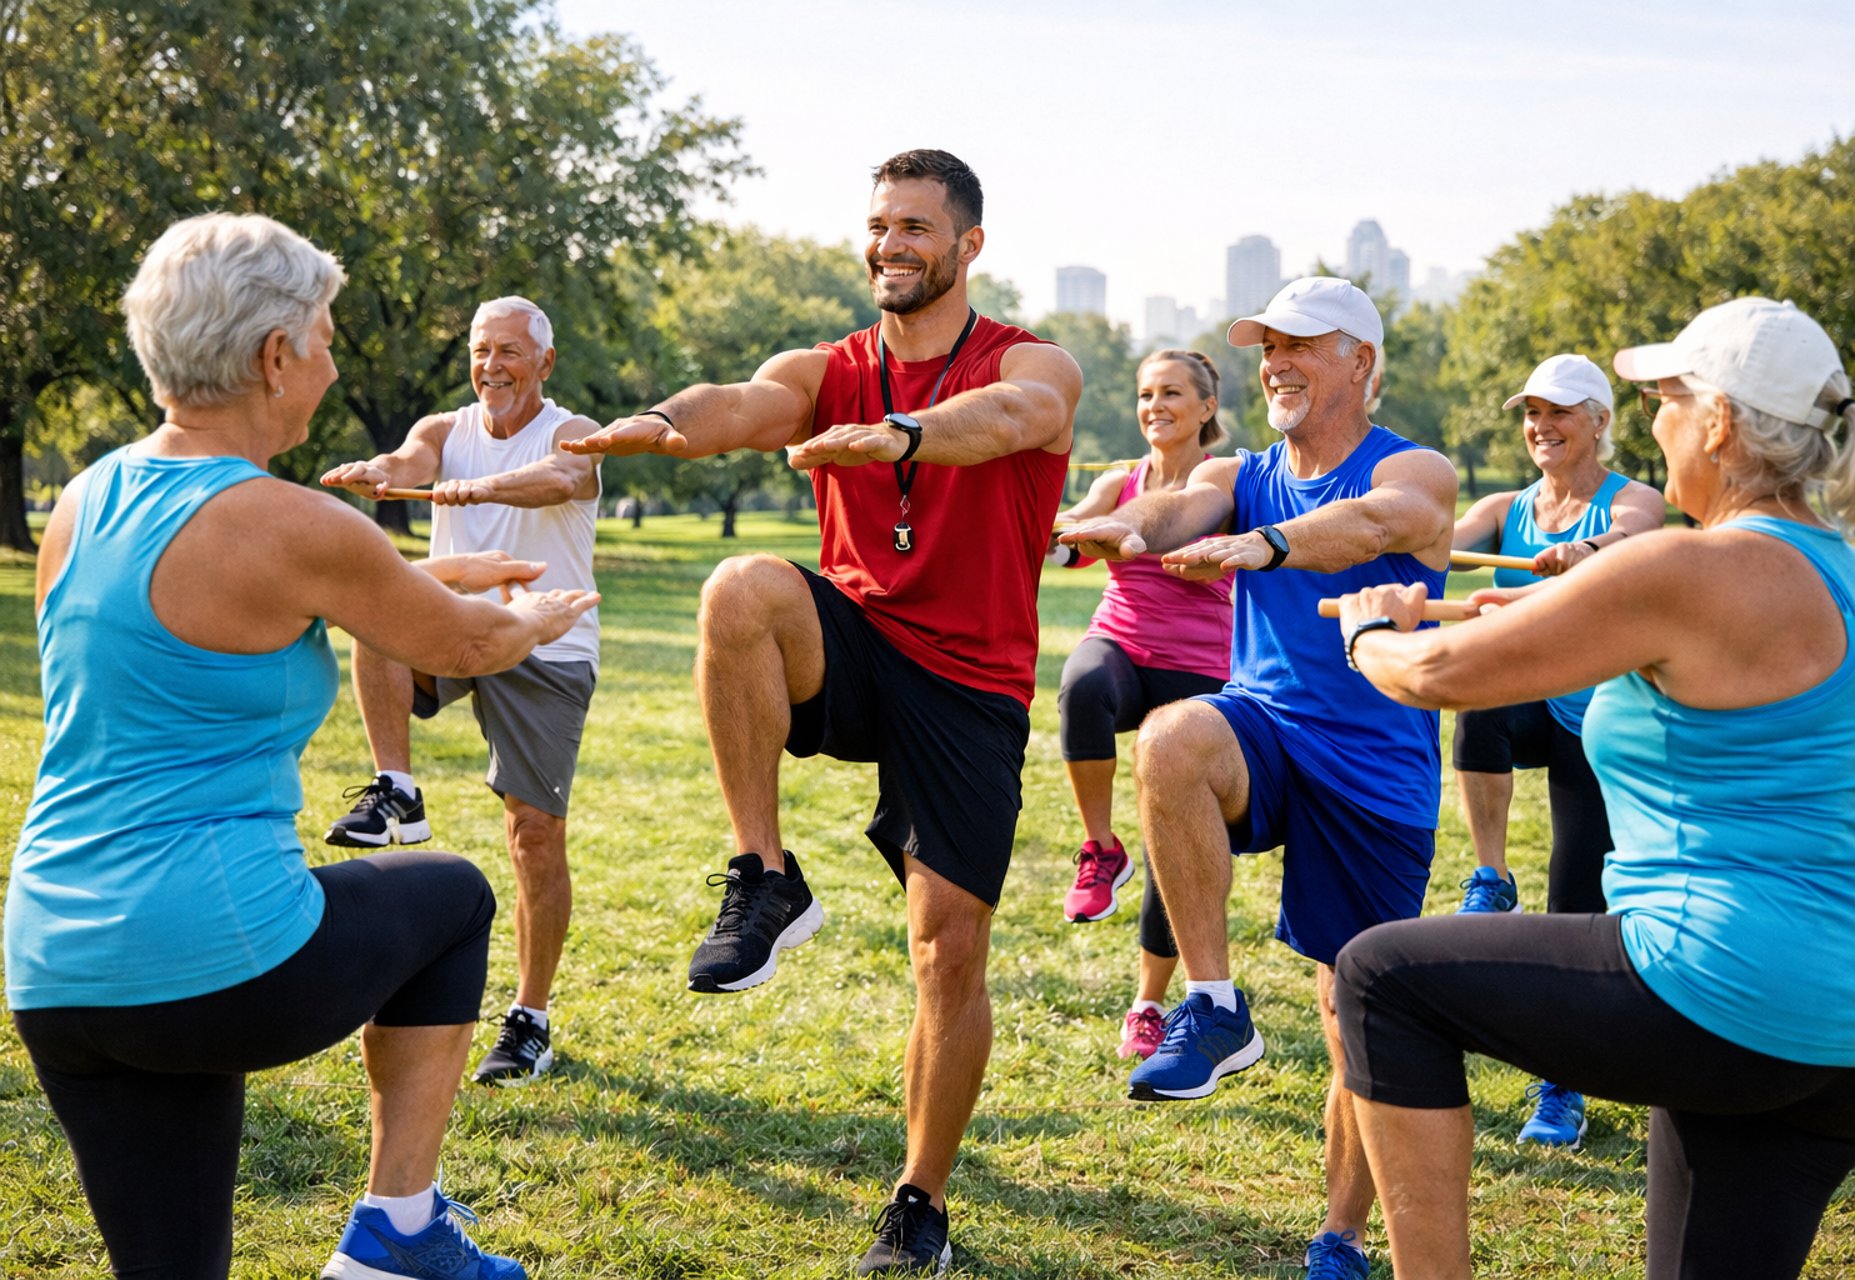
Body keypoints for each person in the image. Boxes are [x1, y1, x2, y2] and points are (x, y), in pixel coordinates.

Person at [4, 213, 598, 1279]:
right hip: (213, 950)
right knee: (454, 896)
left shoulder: (86, 498)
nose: (328, 359)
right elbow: (467, 642)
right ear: (276, 355)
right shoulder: (286, 522)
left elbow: (227, 618)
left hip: (56, 961)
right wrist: (538, 621)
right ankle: (399, 1230)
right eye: (323, 336)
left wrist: (433, 581)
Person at [564, 149, 1080, 1275]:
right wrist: (657, 422)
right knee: (740, 586)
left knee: (948, 952)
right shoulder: (831, 365)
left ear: (967, 246)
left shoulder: (1029, 360)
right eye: (880, 223)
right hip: (852, 641)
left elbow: (1010, 416)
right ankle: (766, 873)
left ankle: (918, 1198)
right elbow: (743, 405)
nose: (890, 244)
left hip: (969, 683)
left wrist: (899, 436)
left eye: (916, 227)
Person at [1333, 297, 1855, 1280]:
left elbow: (1437, 676)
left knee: (1382, 978)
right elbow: (1674, 639)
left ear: (1721, 422)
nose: (1656, 422)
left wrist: (1371, 631)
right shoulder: (1842, 570)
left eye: (1667, 400)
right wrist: (1556, 604)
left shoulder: (1686, 565)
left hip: (1719, 983)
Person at [1060, 277, 1456, 1280]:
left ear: (1359, 362)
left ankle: (1341, 1234)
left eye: (1301, 344)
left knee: (1353, 1015)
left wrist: (1268, 544)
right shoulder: (1245, 469)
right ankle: (1216, 1003)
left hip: (1373, 771)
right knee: (1169, 738)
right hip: (1266, 728)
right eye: (1266, 343)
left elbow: (1380, 521)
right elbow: (1184, 500)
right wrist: (1130, 524)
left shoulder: (1414, 465)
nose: (1275, 360)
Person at [320, 296, 602, 1086]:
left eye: (510, 352)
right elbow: (408, 462)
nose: (492, 367)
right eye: (481, 351)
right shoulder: (446, 432)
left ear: (544, 363)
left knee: (534, 837)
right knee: (376, 609)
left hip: (550, 639)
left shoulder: (573, 431)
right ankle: (397, 790)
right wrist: (381, 474)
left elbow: (560, 479)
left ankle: (531, 1019)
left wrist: (485, 492)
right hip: (454, 624)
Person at [1446, 354, 1664, 1146]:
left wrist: (1590, 550)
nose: (1541, 426)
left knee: (1575, 911)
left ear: (1600, 422)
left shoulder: (1630, 497)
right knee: (1481, 706)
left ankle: (1561, 1086)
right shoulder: (1507, 504)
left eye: (1559, 412)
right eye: (1531, 413)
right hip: (1533, 698)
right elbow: (1438, 539)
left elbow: (1638, 536)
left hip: (1598, 723)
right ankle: (1491, 875)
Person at [1050, 349, 1233, 1062]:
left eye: (1172, 393)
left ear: (1207, 407)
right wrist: (1051, 533)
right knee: (1083, 684)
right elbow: (1075, 541)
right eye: (1145, 393)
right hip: (1123, 645)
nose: (1155, 405)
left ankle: (1150, 1002)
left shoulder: (1230, 480)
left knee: (1176, 846)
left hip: (1201, 668)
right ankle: (1101, 849)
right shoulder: (1118, 480)